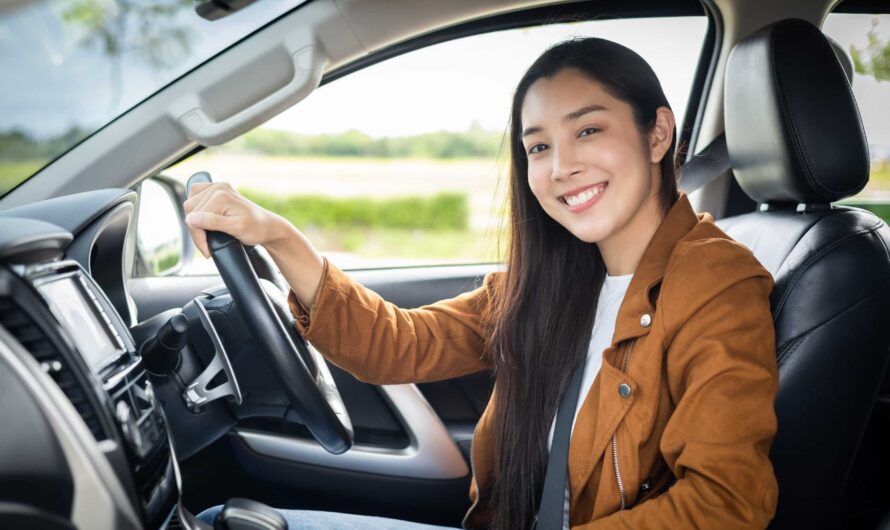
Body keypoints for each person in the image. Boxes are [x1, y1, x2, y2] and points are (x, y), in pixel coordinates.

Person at [185, 37, 779, 530]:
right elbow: (399, 344)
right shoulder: (551, 278)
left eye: (589, 131)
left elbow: (726, 503)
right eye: (538, 146)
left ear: (657, 135)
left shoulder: (717, 285)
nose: (559, 167)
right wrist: (279, 237)